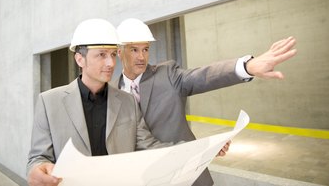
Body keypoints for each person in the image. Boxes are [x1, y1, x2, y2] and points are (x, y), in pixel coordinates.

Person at [112, 18, 297, 186]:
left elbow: (203, 76)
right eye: (134, 50)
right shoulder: (112, 94)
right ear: (119, 52)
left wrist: (246, 67)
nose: (142, 57)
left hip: (188, 176)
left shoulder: (167, 74)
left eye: (145, 49)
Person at [27, 19, 175, 186]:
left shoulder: (128, 102)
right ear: (80, 59)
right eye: (102, 55)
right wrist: (38, 169)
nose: (111, 63)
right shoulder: (49, 102)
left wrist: (187, 152)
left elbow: (148, 147)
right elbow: (38, 158)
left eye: (113, 54)